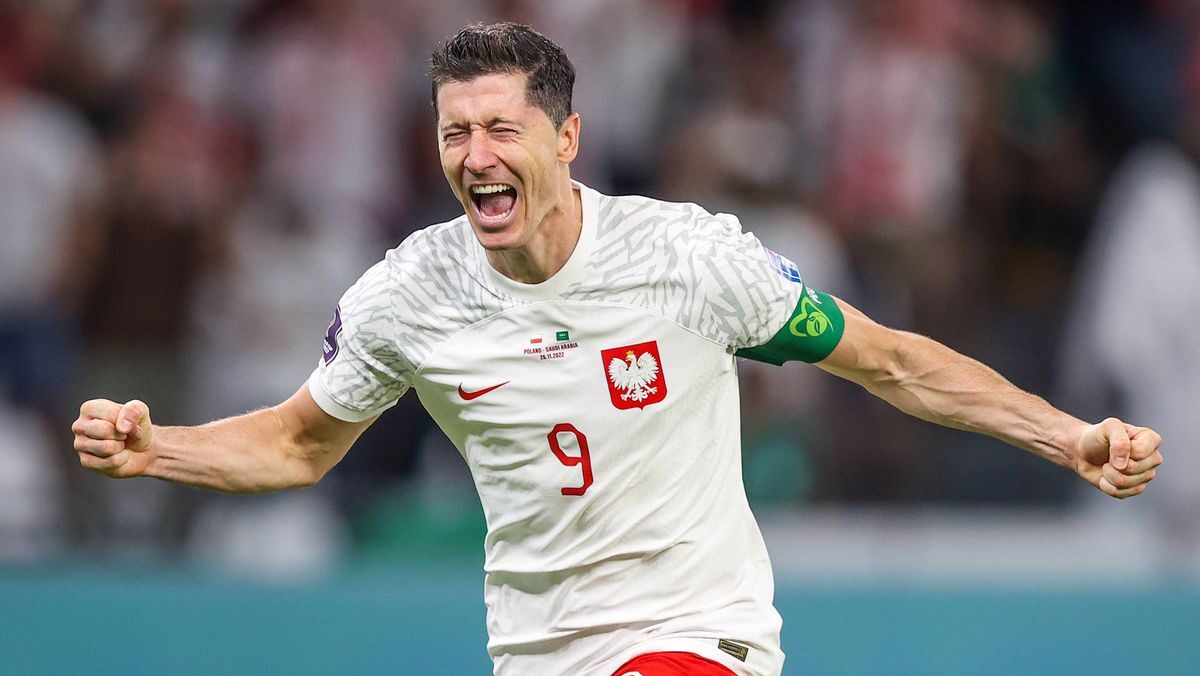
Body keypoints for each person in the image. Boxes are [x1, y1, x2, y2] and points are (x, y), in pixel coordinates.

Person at [73, 22, 1163, 676]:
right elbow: (296, 444)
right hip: (538, 650)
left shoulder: (689, 260)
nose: (475, 155)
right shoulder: (408, 295)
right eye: (456, 132)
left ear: (566, 139)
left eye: (501, 129)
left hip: (699, 637)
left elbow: (890, 360)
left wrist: (1064, 435)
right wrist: (158, 448)